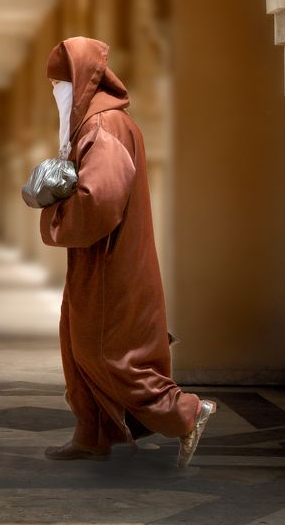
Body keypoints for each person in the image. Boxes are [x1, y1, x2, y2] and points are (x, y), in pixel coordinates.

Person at [37, 36, 216, 467]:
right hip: (95, 261)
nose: (56, 95)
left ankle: (187, 413)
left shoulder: (105, 128)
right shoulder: (96, 127)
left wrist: (54, 211)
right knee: (79, 343)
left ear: (81, 85)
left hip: (110, 263)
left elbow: (99, 201)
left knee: (108, 351)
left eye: (60, 85)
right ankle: (92, 433)